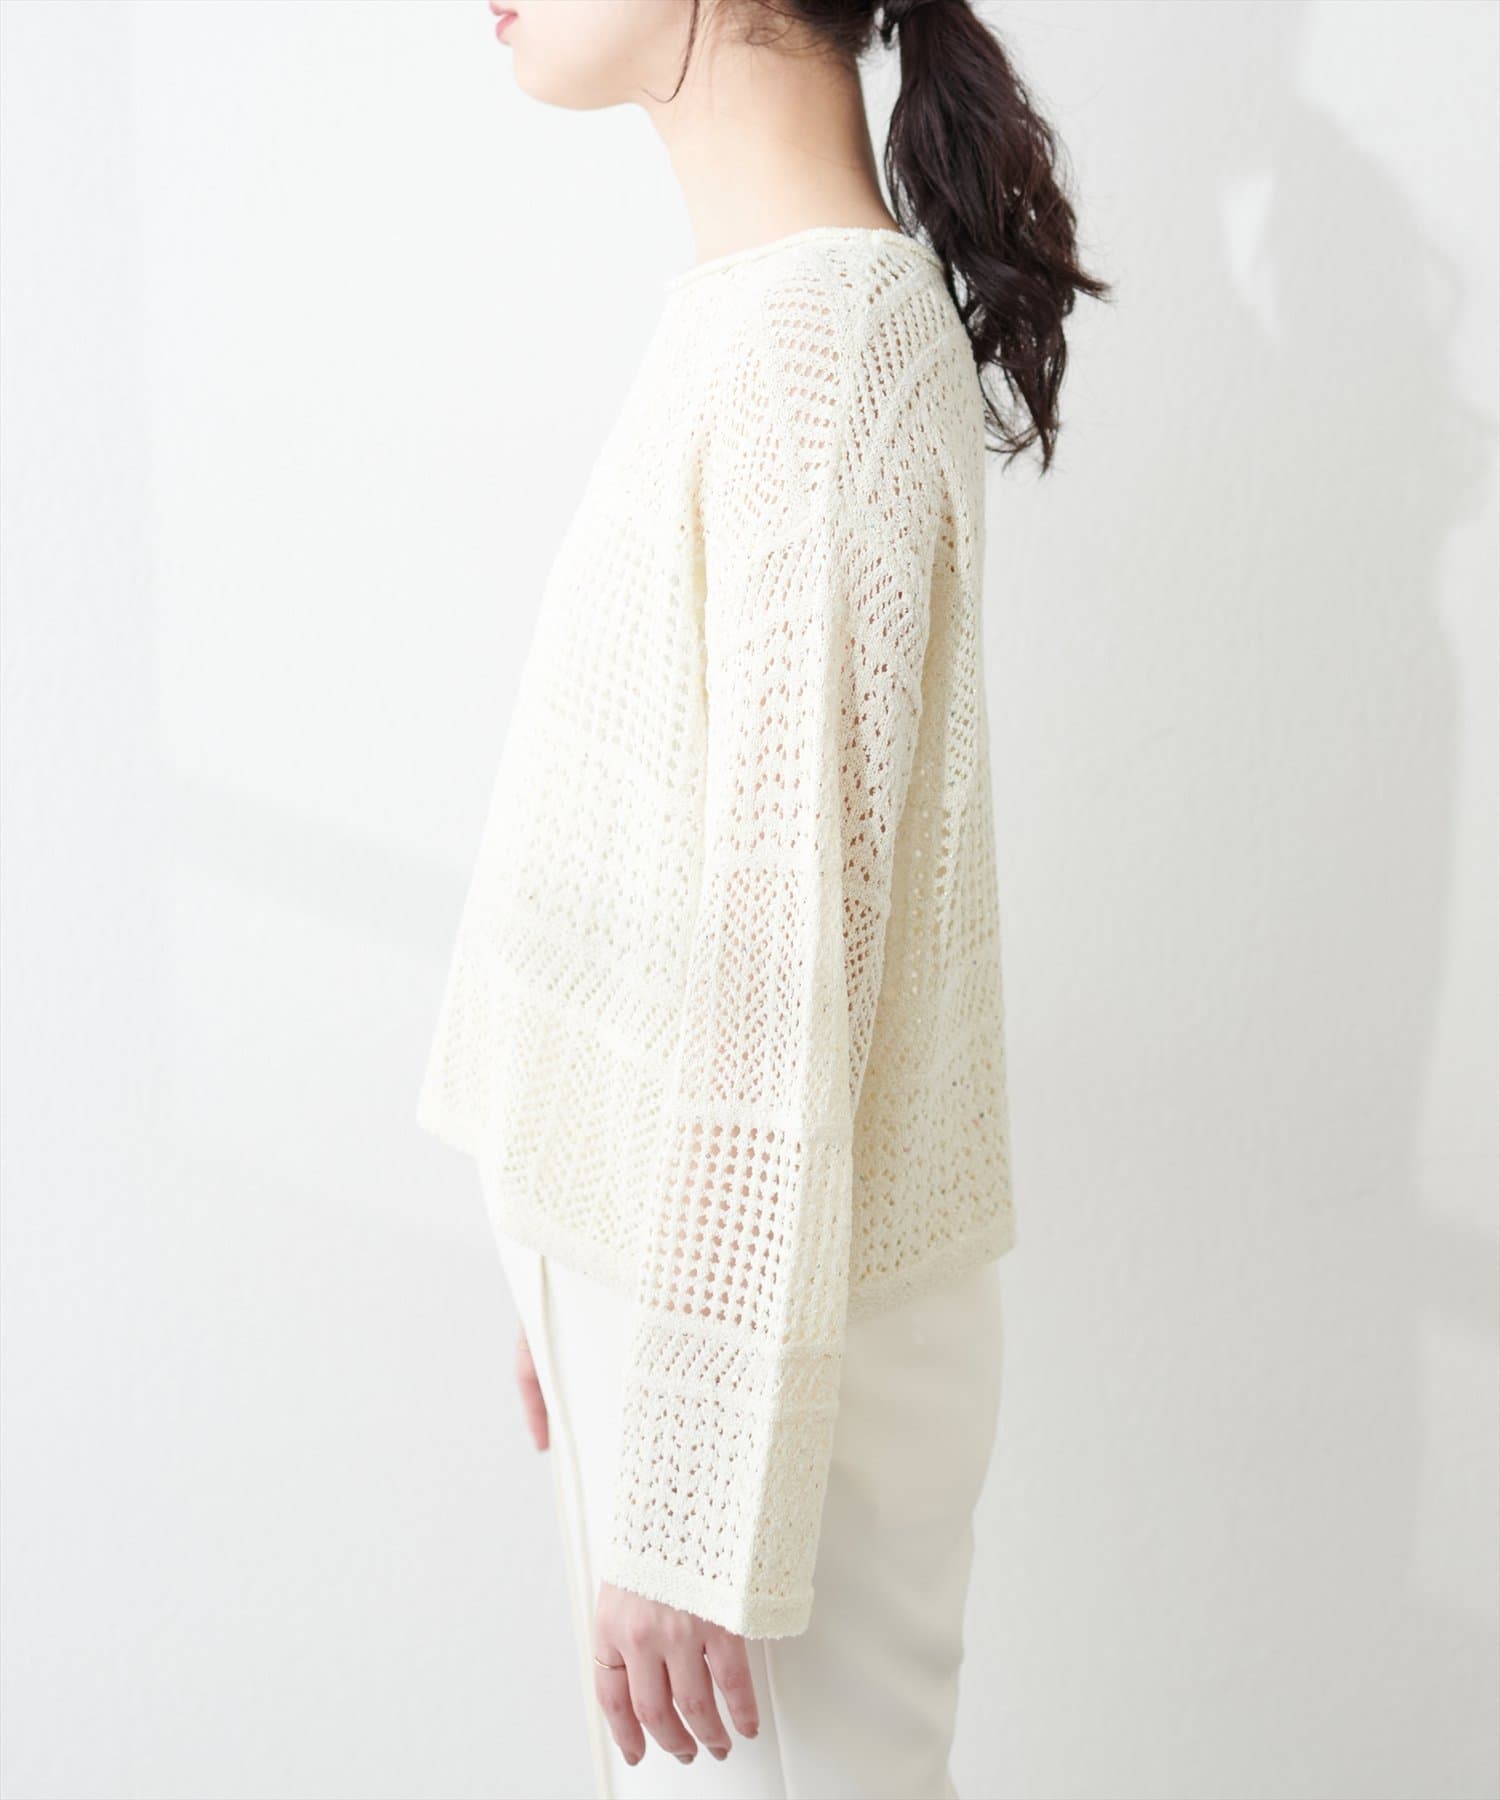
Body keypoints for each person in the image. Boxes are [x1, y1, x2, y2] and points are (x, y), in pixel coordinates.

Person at [417, 1, 1109, 1792]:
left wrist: (695, 1470)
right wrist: (568, 1256)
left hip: (764, 1347)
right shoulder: (758, 314)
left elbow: (783, 948)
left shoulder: (824, 341)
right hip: (687, 1295)